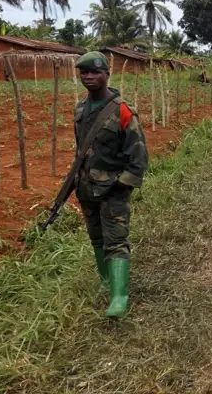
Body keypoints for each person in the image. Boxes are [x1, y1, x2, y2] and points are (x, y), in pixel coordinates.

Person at [73, 51, 149, 318]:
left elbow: (138, 157)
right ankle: (105, 281)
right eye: (84, 73)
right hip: (86, 188)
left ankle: (119, 297)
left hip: (113, 189)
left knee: (116, 240)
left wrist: (122, 185)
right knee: (96, 237)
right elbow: (80, 150)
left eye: (94, 72)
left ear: (107, 75)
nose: (89, 77)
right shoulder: (81, 109)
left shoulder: (123, 111)